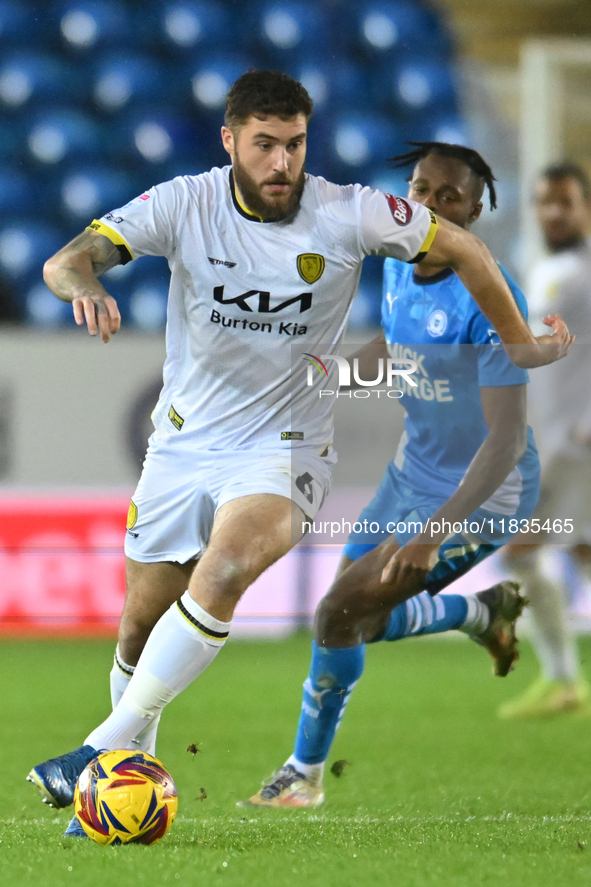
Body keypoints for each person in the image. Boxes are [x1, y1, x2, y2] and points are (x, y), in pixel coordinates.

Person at [26, 72, 570, 834]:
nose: (282, 163)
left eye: (295, 145)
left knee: (236, 573)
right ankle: (118, 784)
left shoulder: (350, 214)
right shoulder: (183, 203)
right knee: (139, 629)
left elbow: (467, 252)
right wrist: (80, 280)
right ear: (230, 142)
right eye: (264, 146)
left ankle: (96, 754)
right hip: (183, 445)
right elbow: (67, 257)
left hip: (287, 450)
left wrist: (517, 341)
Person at [242, 141, 545, 809]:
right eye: (419, 188)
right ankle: (477, 612)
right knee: (356, 616)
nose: (429, 205)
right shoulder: (400, 264)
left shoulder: (487, 297)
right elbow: (397, 352)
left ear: (474, 209)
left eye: (448, 196)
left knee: (335, 612)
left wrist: (432, 535)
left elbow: (502, 439)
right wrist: (322, 380)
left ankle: (303, 775)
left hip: (485, 492)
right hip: (412, 472)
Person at [501, 162, 591, 718]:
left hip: (578, 442)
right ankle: (564, 683)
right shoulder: (546, 270)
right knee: (579, 553)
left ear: (585, 207)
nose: (553, 212)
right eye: (544, 201)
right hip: (553, 439)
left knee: (517, 553)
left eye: (565, 201)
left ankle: (562, 679)